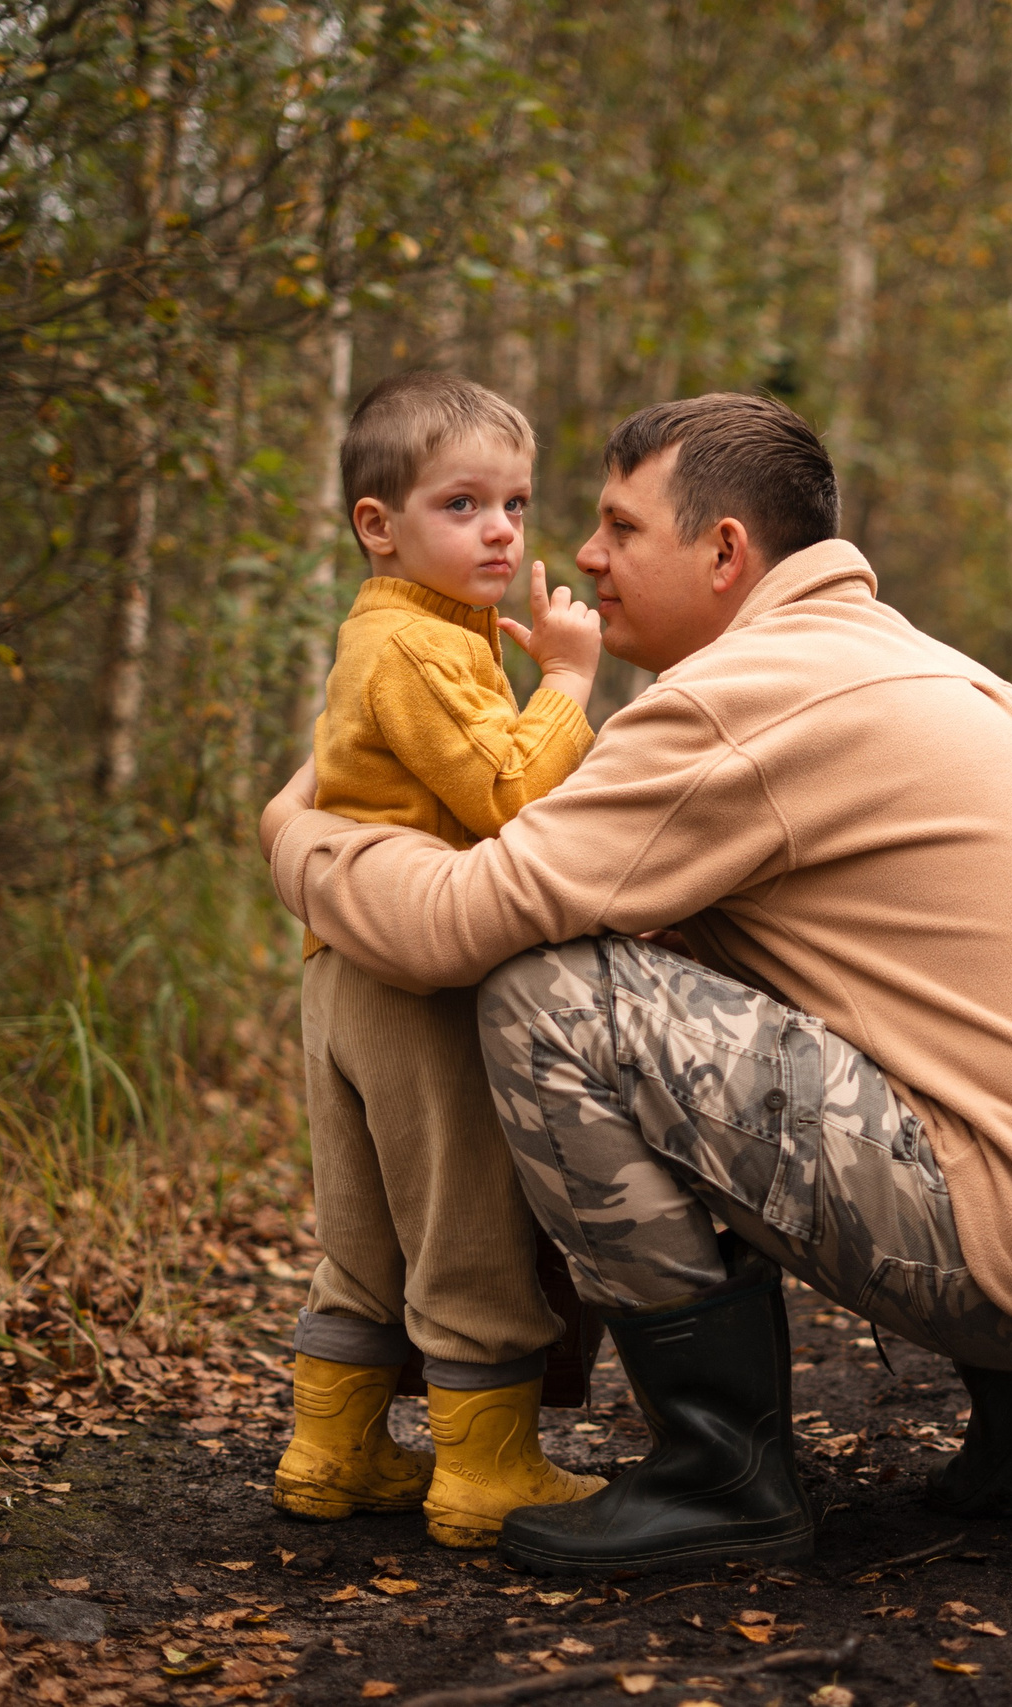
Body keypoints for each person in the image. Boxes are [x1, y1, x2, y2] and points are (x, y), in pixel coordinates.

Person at [262, 392, 1012, 1575]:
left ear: (725, 553)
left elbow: (462, 923)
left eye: (620, 529)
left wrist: (300, 840)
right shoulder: (899, 660)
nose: (586, 556)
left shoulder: (740, 701)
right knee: (671, 967)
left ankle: (720, 1474)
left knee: (550, 996)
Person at [271, 370, 609, 1551]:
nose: (504, 532)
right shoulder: (418, 646)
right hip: (415, 980)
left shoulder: (394, 636)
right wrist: (567, 681)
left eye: (514, 504)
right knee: (466, 1214)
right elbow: (509, 793)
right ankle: (486, 1470)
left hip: (339, 967)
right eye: (462, 505)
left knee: (360, 1232)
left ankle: (333, 1448)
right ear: (380, 525)